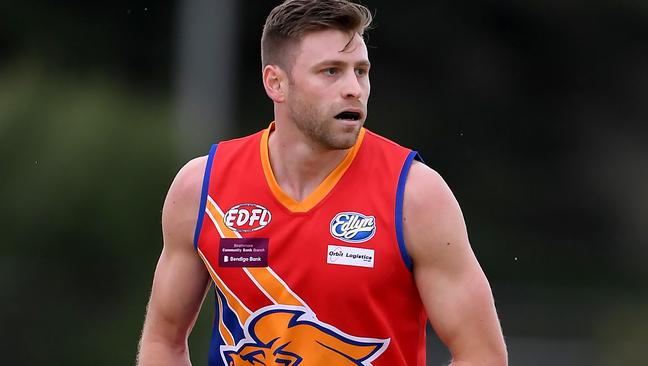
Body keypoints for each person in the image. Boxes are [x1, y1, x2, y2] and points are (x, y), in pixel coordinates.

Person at [137, 0, 508, 365]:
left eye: (360, 71)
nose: (354, 89)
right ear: (276, 83)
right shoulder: (201, 188)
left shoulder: (415, 195)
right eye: (331, 71)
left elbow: (482, 354)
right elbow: (163, 342)